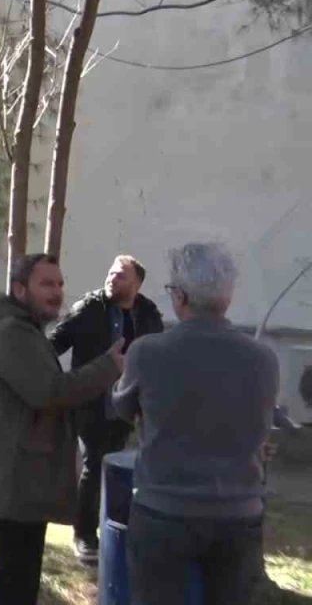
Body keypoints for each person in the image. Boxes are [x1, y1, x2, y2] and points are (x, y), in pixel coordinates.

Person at [0, 253, 125, 605]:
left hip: (21, 475)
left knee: (20, 579)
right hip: (14, 478)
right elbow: (48, 392)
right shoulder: (10, 332)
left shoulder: (22, 329)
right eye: (46, 284)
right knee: (16, 583)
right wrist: (108, 367)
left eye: (59, 284)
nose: (57, 292)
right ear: (20, 289)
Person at [113, 243, 279, 605]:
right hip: (239, 513)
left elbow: (122, 409)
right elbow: (261, 426)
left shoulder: (147, 351)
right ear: (227, 298)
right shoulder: (264, 358)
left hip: (164, 511)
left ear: (181, 296)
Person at [49, 254, 164, 564]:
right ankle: (84, 535)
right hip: (91, 401)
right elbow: (52, 345)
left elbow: (157, 357)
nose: (112, 278)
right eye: (111, 273)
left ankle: (115, 529)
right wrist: (57, 384)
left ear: (137, 285)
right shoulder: (88, 308)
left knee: (117, 466)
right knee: (94, 464)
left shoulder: (148, 315)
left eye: (121, 275)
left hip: (127, 405)